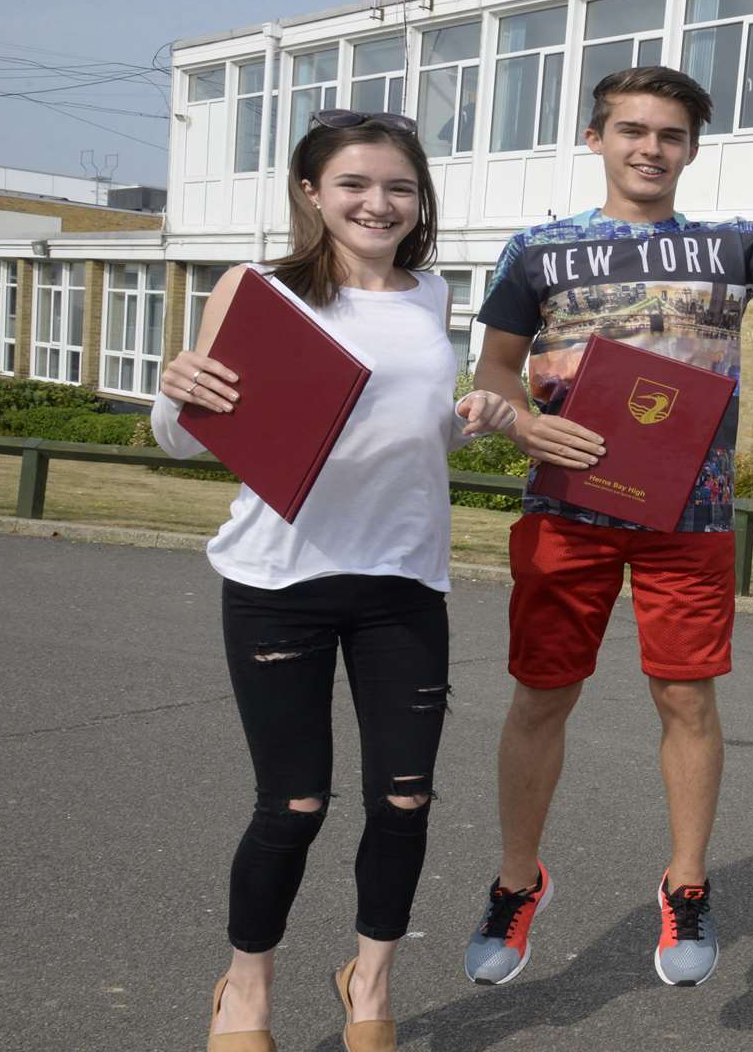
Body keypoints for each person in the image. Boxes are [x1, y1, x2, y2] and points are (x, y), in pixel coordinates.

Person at [461, 62, 753, 989]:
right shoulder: (537, 250)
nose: (649, 148)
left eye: (668, 135)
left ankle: (686, 883)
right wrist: (523, 420)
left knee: (688, 700)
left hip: (688, 518)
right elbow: (495, 372)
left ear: (691, 149)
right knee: (542, 695)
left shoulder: (731, 245)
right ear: (596, 140)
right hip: (564, 512)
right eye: (631, 130)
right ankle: (514, 881)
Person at [152, 110, 516, 1052]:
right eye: (354, 184)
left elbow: (410, 433)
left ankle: (369, 982)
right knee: (295, 804)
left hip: (403, 580)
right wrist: (178, 391)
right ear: (311, 192)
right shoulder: (260, 291)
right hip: (281, 580)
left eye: (399, 186)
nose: (378, 203)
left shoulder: (431, 293)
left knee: (405, 797)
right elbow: (186, 441)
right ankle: (245, 993)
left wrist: (466, 416)